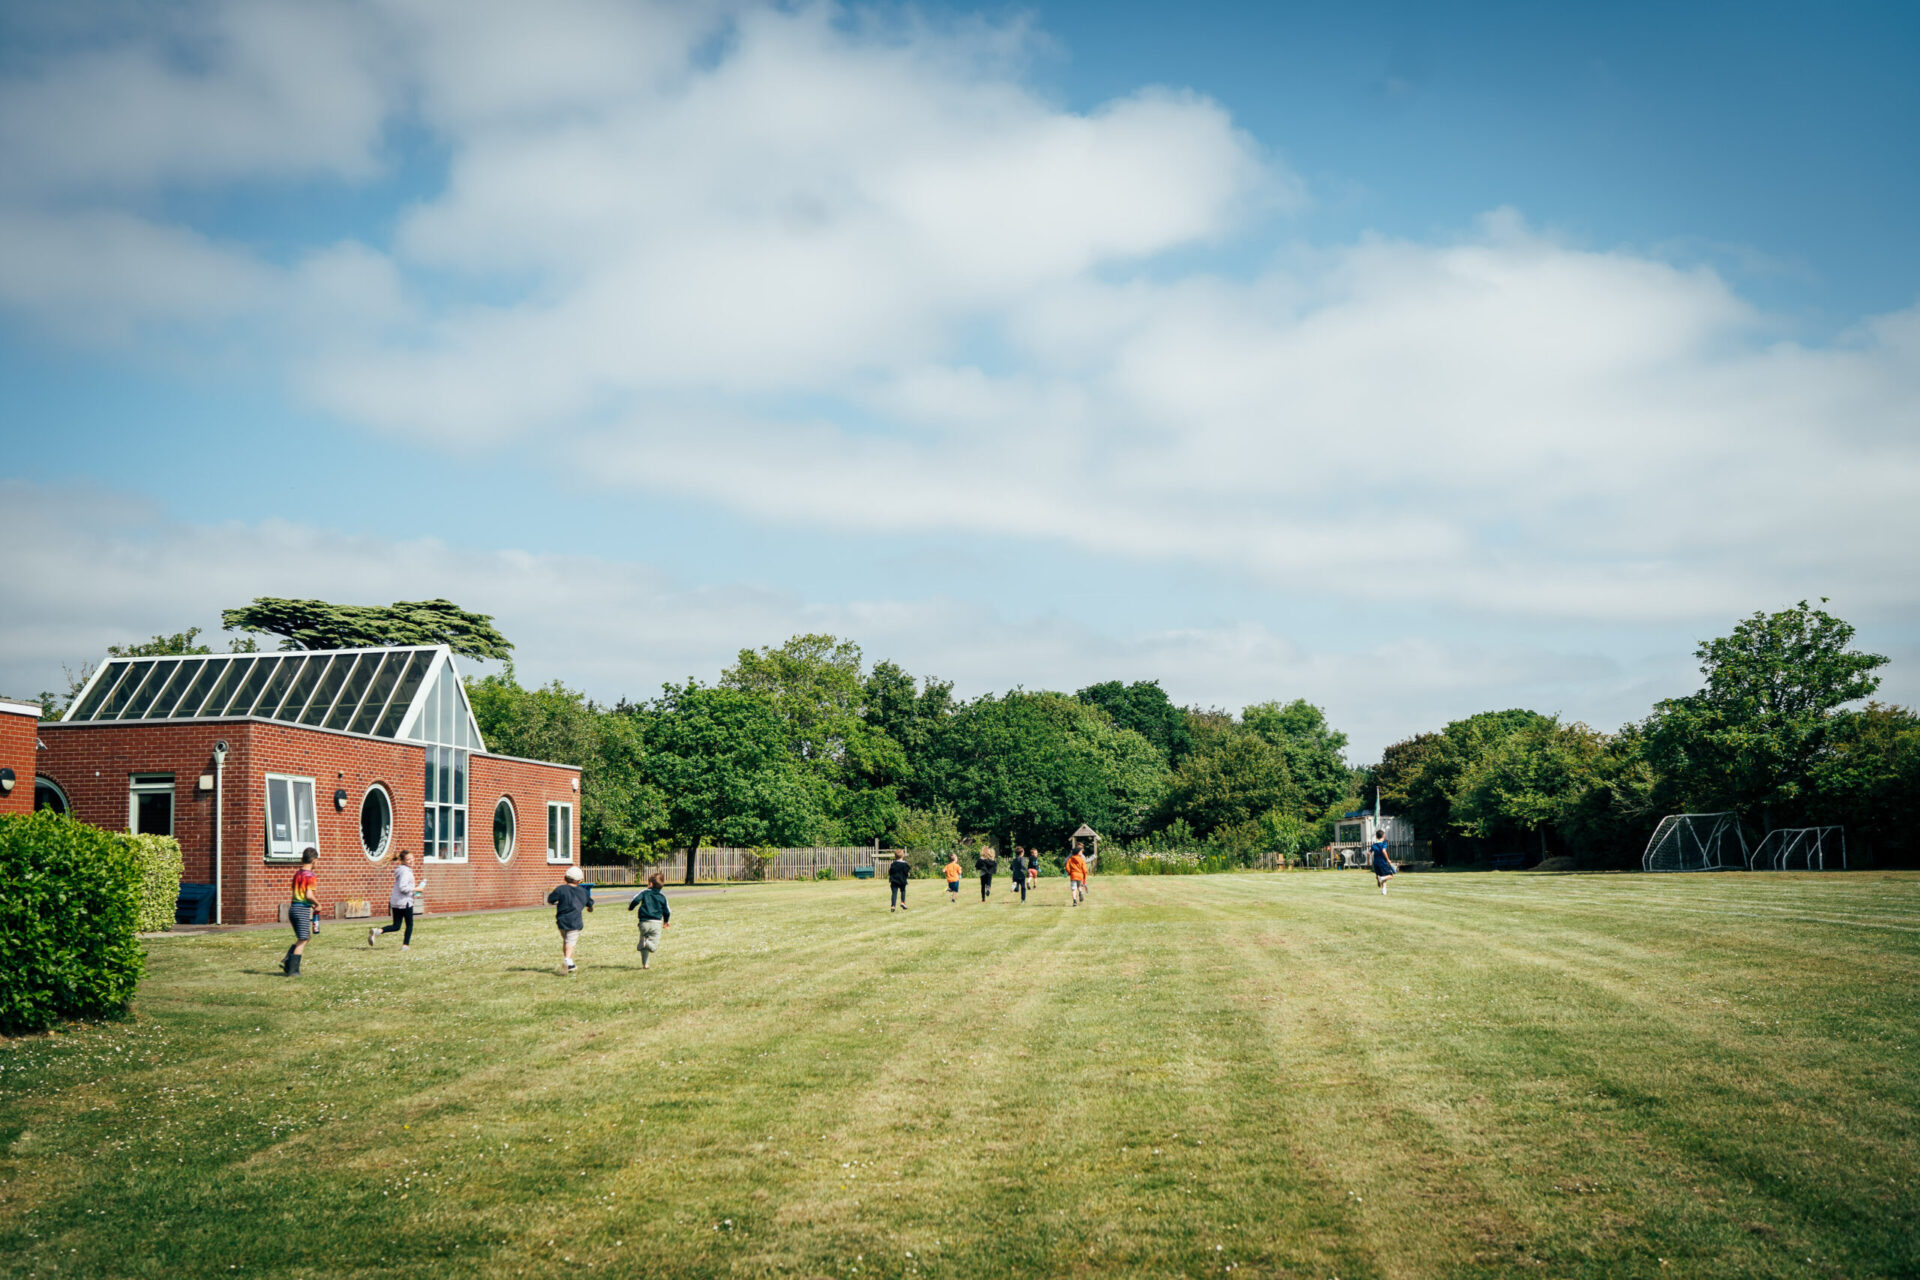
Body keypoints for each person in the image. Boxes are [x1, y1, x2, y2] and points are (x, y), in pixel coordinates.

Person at [369, 849, 421, 949]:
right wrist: (416, 889)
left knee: (396, 926)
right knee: (409, 925)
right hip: (405, 902)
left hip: (396, 902)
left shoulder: (400, 870)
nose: (411, 861)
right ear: (402, 861)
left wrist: (414, 890)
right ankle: (405, 946)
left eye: (412, 858)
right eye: (408, 859)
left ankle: (378, 931)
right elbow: (403, 888)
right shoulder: (405, 872)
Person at [281, 847, 321, 977]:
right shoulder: (311, 876)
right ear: (314, 860)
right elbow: (308, 895)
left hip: (293, 908)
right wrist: (317, 904)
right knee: (303, 939)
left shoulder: (297, 874)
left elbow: (298, 892)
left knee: (305, 937)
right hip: (302, 910)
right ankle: (293, 970)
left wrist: (311, 904)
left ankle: (287, 960)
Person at [547, 865, 594, 973]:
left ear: (565, 878)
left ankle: (567, 960)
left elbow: (550, 900)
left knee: (566, 940)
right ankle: (568, 961)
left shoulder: (560, 889)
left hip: (561, 921)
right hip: (575, 921)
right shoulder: (583, 891)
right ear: (580, 880)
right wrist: (590, 908)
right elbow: (590, 903)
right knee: (570, 942)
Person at [628, 871, 671, 967]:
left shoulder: (644, 892)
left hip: (643, 923)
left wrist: (630, 908)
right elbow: (667, 911)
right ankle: (646, 942)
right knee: (653, 947)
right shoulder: (662, 896)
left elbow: (635, 900)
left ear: (650, 884)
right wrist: (666, 921)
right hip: (656, 923)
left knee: (643, 944)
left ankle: (645, 964)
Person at [1370, 829, 1396, 895]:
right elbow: (1384, 851)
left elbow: (1368, 853)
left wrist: (1368, 862)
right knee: (1391, 876)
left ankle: (1384, 891)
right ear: (1383, 835)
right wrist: (1388, 859)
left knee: (1384, 877)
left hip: (1376, 863)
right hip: (1383, 863)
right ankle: (1381, 878)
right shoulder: (1384, 843)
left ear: (1376, 836)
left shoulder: (1374, 845)